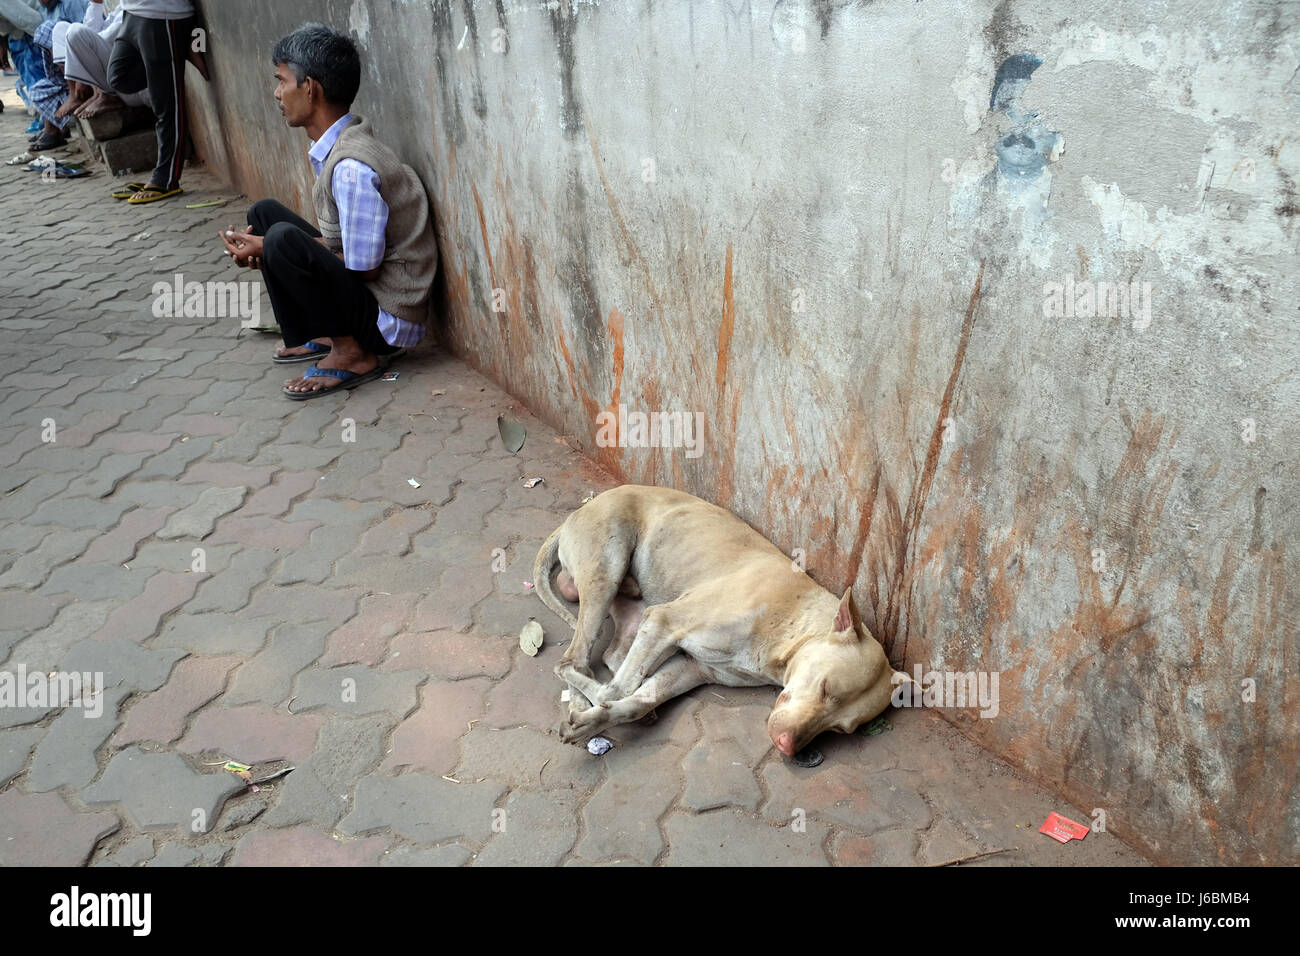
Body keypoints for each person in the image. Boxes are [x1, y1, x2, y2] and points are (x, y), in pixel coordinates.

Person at [218, 22, 438, 400]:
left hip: (389, 318)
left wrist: (269, 248)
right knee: (266, 214)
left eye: (282, 81)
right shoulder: (338, 145)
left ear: (310, 88)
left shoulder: (352, 167)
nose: (276, 93)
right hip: (369, 294)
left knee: (281, 239)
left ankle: (353, 353)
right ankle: (323, 333)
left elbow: (363, 266)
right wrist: (266, 245)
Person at [106, 0, 194, 204]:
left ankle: (166, 179)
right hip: (132, 12)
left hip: (162, 14)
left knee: (167, 104)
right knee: (118, 78)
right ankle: (175, 56)